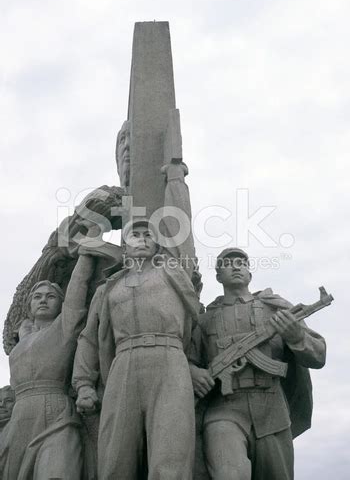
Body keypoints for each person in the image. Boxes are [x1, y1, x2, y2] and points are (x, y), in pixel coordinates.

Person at [72, 162, 200, 480]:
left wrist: (175, 178)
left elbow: (197, 323)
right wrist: (84, 384)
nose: (141, 239)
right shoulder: (109, 287)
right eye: (134, 235)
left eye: (147, 235)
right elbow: (89, 338)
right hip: (123, 364)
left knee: (171, 452)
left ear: (156, 243)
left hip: (170, 359)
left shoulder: (173, 272)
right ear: (125, 246)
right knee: (116, 456)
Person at [190, 247, 326, 480]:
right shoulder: (205, 320)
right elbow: (188, 360)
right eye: (228, 263)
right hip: (224, 408)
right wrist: (192, 372)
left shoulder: (276, 309)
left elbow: (318, 355)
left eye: (242, 263)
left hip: (272, 410)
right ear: (218, 277)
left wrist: (296, 337)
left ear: (250, 275)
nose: (236, 266)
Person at [0, 229, 97, 480]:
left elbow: (76, 290)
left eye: (51, 297)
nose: (43, 300)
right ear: (30, 306)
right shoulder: (20, 338)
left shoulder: (63, 329)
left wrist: (87, 252)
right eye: (38, 297)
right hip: (19, 416)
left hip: (55, 411)